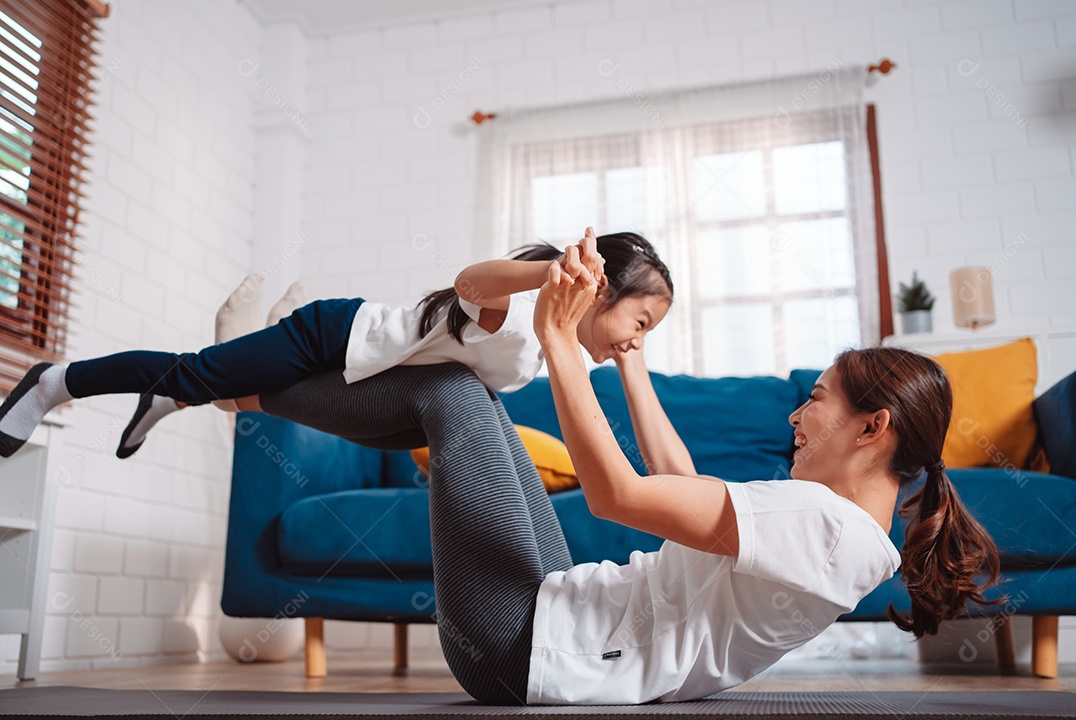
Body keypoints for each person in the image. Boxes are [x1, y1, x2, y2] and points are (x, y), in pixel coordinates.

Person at [247, 234, 1004, 705]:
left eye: (814, 401)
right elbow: (679, 482)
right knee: (467, 399)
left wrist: (555, 338)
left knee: (453, 390)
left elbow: (617, 497)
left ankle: (250, 390)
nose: (794, 418)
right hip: (554, 615)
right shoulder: (841, 528)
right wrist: (631, 362)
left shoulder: (828, 528)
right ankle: (254, 386)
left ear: (874, 427)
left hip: (523, 649)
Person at [0, 229, 673, 460]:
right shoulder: (525, 319)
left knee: (385, 434)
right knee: (196, 372)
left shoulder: (542, 353)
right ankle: (57, 381)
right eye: (640, 324)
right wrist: (549, 271)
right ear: (603, 291)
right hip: (332, 334)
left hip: (372, 376)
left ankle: (176, 400)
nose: (634, 345)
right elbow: (471, 280)